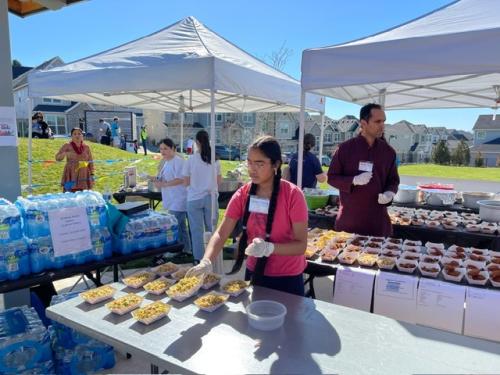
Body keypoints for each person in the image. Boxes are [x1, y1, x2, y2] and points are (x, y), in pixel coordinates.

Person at [186, 136, 309, 296]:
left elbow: (301, 246)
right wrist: (206, 261)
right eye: (249, 162)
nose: (252, 169)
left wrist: (269, 248)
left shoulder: (293, 195)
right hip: (254, 272)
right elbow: (221, 233)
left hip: (287, 277)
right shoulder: (243, 194)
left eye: (259, 164)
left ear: (276, 164)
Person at [327, 103, 399, 237]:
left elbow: (393, 180)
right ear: (363, 123)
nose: (382, 125)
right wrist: (352, 180)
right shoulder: (345, 149)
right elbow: (332, 178)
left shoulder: (388, 152)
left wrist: (390, 192)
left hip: (378, 224)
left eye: (384, 121)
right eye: (377, 121)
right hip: (350, 222)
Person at [182, 130, 222, 262]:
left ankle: (199, 259)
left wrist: (191, 189)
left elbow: (186, 181)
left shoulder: (191, 159)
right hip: (210, 197)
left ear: (197, 142)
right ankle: (212, 256)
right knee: (212, 229)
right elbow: (219, 180)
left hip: (194, 198)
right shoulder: (215, 159)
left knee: (196, 231)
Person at [154, 138, 191, 256]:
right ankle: (186, 249)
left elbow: (180, 179)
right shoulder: (166, 162)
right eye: (161, 149)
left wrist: (164, 184)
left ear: (173, 149)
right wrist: (154, 179)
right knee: (180, 227)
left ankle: (176, 250)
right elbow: (165, 178)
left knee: (174, 226)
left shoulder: (178, 161)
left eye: (165, 148)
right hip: (172, 198)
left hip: (179, 199)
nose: (163, 151)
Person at [55, 127, 95, 192]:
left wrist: (92, 174)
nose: (77, 135)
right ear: (71, 136)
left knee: (83, 196)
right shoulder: (67, 145)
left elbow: (90, 161)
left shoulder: (86, 147)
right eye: (75, 134)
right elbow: (57, 158)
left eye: (79, 134)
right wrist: (65, 153)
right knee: (70, 195)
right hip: (71, 173)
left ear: (82, 136)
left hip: (84, 174)